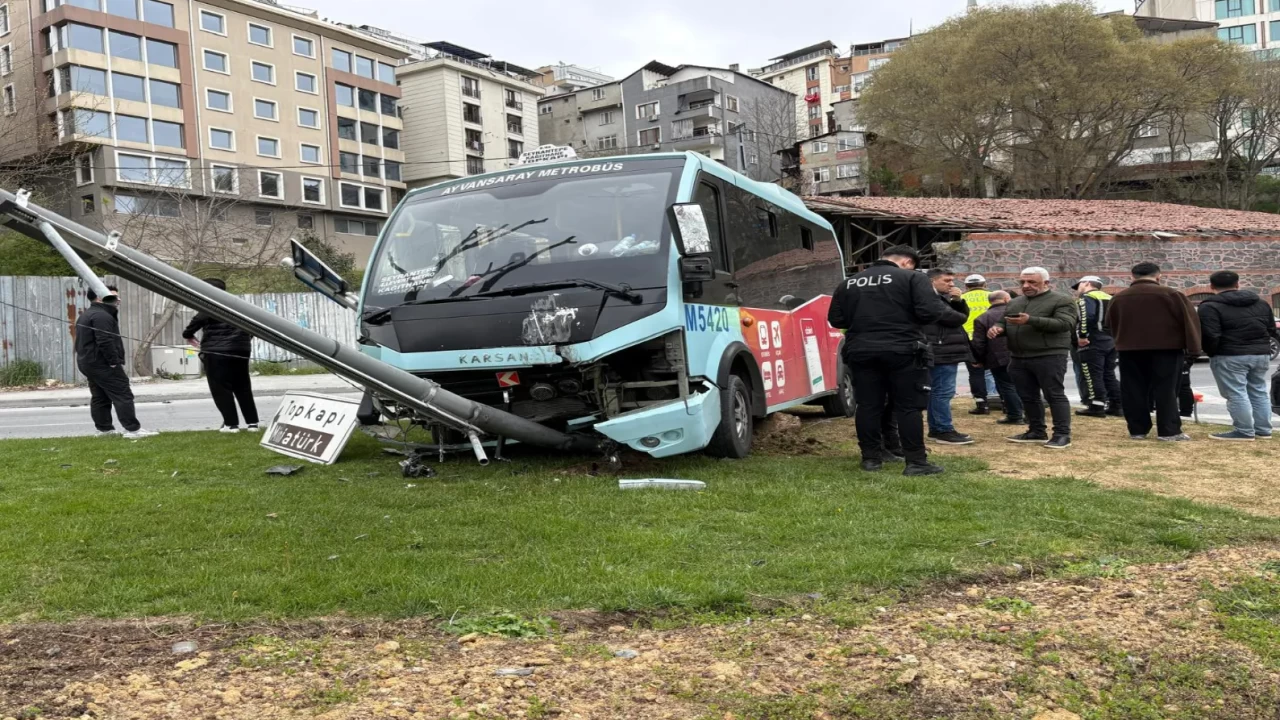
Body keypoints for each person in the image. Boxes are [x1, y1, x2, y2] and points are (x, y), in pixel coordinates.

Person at [828, 245, 966, 476]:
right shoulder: (912, 278)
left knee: (868, 405)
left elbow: (836, 319)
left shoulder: (849, 282)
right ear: (907, 262)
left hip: (861, 350)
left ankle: (871, 459)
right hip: (903, 349)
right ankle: (916, 462)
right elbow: (930, 312)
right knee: (908, 406)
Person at [1106, 262, 1202, 442]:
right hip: (1167, 349)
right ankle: (1169, 430)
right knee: (1166, 390)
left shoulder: (1119, 297)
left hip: (1129, 349)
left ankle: (1137, 429)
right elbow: (1189, 323)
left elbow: (1109, 325)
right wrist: (1194, 350)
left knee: (1133, 389)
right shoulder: (1172, 294)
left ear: (1132, 277)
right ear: (1159, 276)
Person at [987, 267, 1078, 449]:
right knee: (1027, 396)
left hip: (1049, 354)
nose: (1026, 286)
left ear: (1046, 283)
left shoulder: (1062, 300)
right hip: (1018, 357)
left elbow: (1065, 324)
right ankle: (1036, 430)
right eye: (1022, 282)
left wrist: (1030, 320)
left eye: (1031, 282)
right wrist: (997, 329)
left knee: (1054, 395)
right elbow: (1004, 321)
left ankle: (1062, 434)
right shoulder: (1015, 302)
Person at [1197, 270, 1279, 441]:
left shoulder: (1209, 306)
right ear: (1238, 284)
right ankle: (1263, 429)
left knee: (1236, 392)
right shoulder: (1261, 303)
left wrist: (1212, 352)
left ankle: (1244, 430)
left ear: (1211, 286)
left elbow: (1211, 334)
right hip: (1260, 353)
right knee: (1258, 390)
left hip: (1229, 354)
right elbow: (1271, 329)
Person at [74, 284, 158, 439]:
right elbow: (104, 340)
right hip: (102, 363)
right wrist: (113, 361)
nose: (118, 300)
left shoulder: (88, 314)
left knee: (100, 396)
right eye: (113, 296)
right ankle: (133, 430)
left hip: (88, 363)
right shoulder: (101, 316)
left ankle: (105, 430)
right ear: (100, 297)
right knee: (123, 393)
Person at [183, 279, 260, 433]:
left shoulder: (210, 304)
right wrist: (242, 342)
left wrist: (188, 335)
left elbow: (195, 323)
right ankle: (252, 423)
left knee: (221, 388)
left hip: (216, 351)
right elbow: (253, 326)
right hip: (241, 350)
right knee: (243, 386)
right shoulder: (240, 305)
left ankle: (231, 424)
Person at [925, 269, 977, 446]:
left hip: (943, 349)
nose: (952, 284)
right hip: (941, 351)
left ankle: (938, 428)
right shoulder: (929, 298)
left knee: (938, 391)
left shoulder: (939, 298)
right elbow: (958, 319)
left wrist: (957, 301)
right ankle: (942, 429)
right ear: (932, 281)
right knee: (942, 391)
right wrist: (959, 304)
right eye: (946, 280)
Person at [970, 291, 1024, 426]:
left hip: (997, 357)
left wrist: (978, 360)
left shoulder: (982, 318)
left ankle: (1015, 415)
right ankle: (1029, 413)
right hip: (1021, 354)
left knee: (1007, 386)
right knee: (1025, 385)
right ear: (1006, 299)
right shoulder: (1019, 315)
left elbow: (978, 343)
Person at [1072, 276, 1122, 418]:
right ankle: (1117, 405)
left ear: (1087, 283)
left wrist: (1082, 336)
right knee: (1108, 374)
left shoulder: (1086, 297)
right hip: (1111, 340)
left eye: (1079, 285)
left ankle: (1096, 406)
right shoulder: (1110, 298)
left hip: (1093, 340)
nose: (1078, 289)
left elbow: (1086, 317)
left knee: (1092, 374)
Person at [960, 275, 998, 416]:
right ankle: (1005, 402)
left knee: (975, 373)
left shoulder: (961, 299)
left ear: (966, 286)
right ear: (985, 284)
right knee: (998, 372)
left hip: (970, 340)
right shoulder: (992, 296)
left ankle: (982, 404)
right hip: (993, 337)